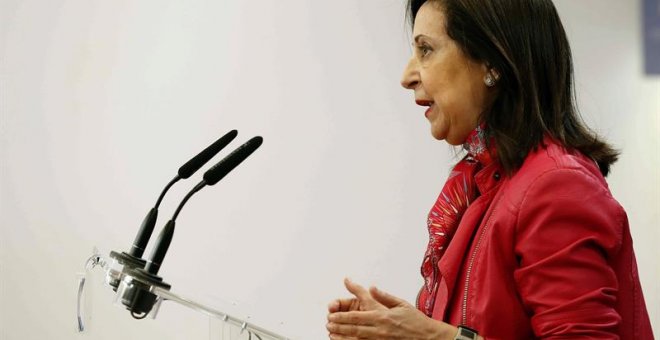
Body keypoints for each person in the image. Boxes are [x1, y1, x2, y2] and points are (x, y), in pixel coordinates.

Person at [326, 0, 654, 339]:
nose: (407, 76)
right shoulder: (485, 183)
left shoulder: (555, 185)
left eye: (426, 49)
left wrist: (433, 337)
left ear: (492, 62)